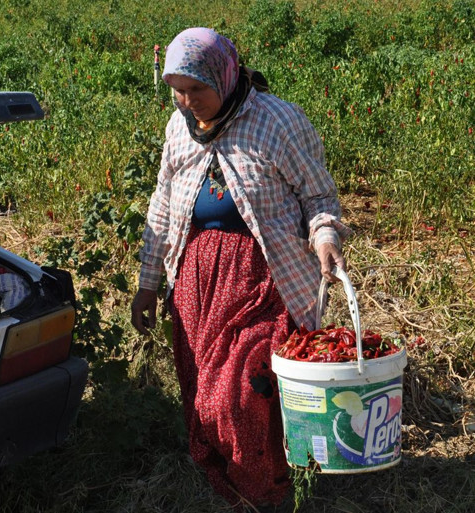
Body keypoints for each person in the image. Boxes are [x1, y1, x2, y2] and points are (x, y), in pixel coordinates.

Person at [130, 28, 350, 511]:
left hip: (264, 281)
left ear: (225, 78)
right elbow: (162, 208)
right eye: (178, 91)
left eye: (198, 91)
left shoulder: (278, 122)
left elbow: (318, 197)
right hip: (197, 286)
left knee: (243, 394)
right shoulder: (177, 128)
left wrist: (326, 236)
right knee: (203, 394)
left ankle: (266, 492)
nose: (188, 102)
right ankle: (231, 486)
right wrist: (148, 283)